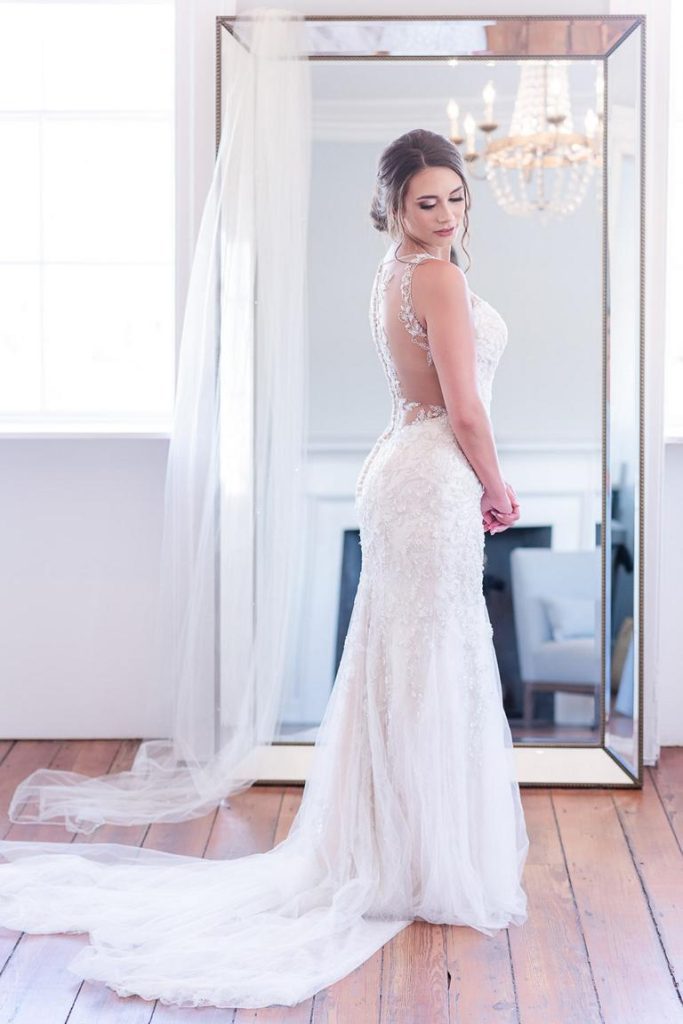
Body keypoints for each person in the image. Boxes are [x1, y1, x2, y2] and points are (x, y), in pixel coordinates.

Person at [0, 128, 529, 1010]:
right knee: (430, 656)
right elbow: (466, 409)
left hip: (399, 465)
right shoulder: (436, 278)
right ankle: (424, 858)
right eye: (426, 202)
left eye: (455, 198)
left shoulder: (394, 273)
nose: (445, 215)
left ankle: (389, 849)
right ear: (393, 206)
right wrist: (498, 487)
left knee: (401, 658)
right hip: (434, 472)